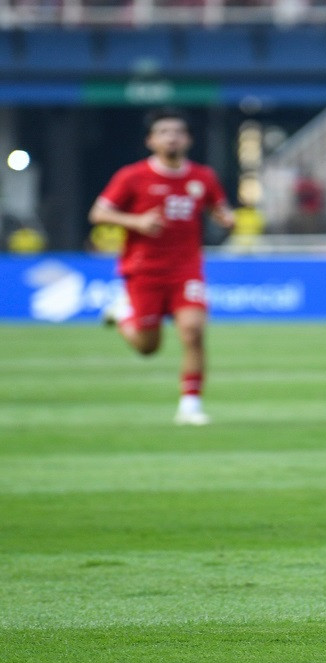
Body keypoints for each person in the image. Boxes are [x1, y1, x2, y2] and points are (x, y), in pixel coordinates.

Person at [89, 108, 235, 425]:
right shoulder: (132, 176)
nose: (172, 137)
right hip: (144, 270)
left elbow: (218, 207)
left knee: (193, 332)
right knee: (147, 347)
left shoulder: (203, 177)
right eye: (164, 132)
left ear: (188, 139)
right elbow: (98, 213)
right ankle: (122, 313)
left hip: (186, 269)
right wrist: (135, 221)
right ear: (151, 140)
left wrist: (226, 217)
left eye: (178, 131)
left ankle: (190, 406)